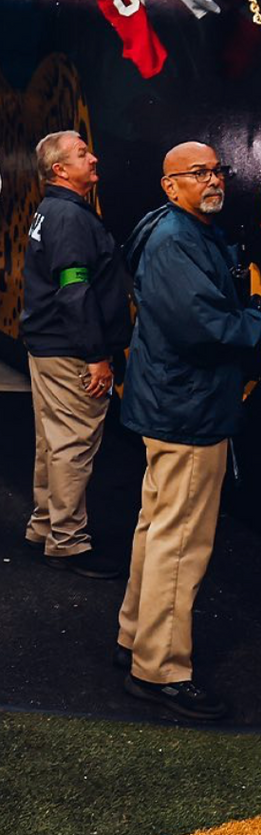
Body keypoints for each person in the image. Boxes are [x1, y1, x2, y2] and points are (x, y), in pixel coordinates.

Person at [116, 142, 261, 721]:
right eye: (197, 172)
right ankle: (161, 671)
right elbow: (210, 330)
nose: (213, 179)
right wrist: (257, 308)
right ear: (170, 185)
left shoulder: (182, 230)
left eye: (217, 170)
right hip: (188, 412)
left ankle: (136, 636)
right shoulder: (177, 239)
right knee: (179, 545)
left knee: (158, 530)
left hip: (176, 406)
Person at [19, 131, 131, 579]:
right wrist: (95, 355)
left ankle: (44, 525)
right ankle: (67, 541)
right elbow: (74, 288)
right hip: (69, 349)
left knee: (54, 441)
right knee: (73, 444)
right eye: (82, 153)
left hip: (48, 345)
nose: (94, 157)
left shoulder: (53, 211)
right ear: (60, 170)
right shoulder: (69, 217)